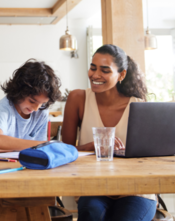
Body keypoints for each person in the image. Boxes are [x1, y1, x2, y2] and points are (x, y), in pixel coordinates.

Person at [62, 44, 157, 221]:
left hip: (135, 189)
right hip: (92, 187)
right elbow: (64, 152)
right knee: (92, 213)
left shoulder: (138, 104)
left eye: (105, 70)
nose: (95, 75)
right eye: (93, 68)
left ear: (122, 75)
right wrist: (92, 147)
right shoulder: (78, 98)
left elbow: (148, 158)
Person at [0, 59, 62, 153]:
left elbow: (39, 149)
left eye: (42, 103)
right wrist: (43, 144)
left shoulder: (42, 111)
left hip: (19, 159)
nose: (36, 108)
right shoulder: (3, 108)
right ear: (19, 91)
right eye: (32, 101)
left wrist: (40, 145)